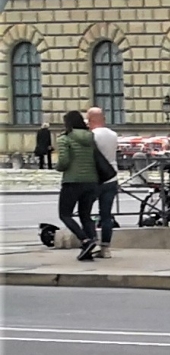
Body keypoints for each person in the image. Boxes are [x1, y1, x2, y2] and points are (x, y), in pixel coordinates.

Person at [54, 109, 102, 260]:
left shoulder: (64, 139)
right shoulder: (90, 137)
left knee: (65, 214)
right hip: (92, 181)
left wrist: (58, 167)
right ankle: (93, 243)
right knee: (85, 215)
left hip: (72, 182)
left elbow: (64, 161)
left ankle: (85, 240)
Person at [85, 105, 120, 259]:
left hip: (95, 178)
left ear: (90, 120)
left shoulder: (91, 136)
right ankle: (106, 248)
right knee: (106, 215)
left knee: (84, 212)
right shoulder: (113, 134)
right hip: (112, 177)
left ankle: (90, 241)